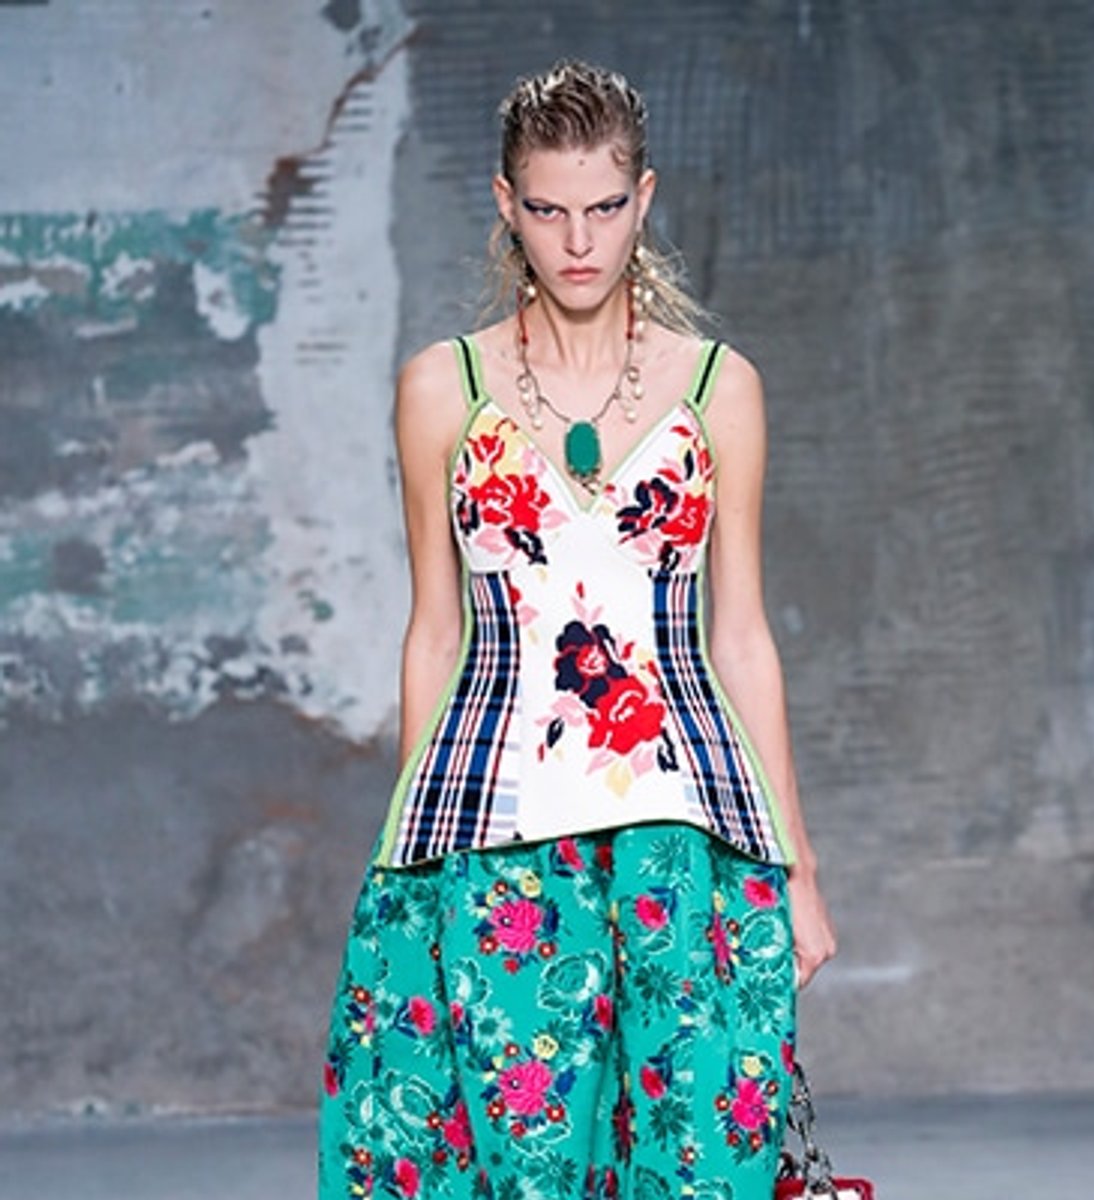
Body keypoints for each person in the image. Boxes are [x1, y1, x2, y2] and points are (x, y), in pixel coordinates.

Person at [319, 59, 836, 1200]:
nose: (579, 241)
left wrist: (799, 869)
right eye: (549, 210)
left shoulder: (720, 388)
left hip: (687, 831)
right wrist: (411, 856)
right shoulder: (442, 389)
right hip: (492, 831)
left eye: (604, 206)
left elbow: (741, 635)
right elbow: (434, 631)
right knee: (522, 1169)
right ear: (506, 205)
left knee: (702, 1163)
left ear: (644, 197)